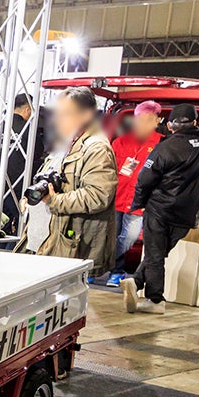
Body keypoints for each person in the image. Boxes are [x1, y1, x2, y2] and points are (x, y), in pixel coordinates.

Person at [121, 103, 199, 314]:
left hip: (160, 209)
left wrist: (138, 203)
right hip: (188, 214)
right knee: (158, 254)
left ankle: (155, 300)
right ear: (195, 122)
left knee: (155, 255)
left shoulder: (165, 147)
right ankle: (136, 282)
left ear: (170, 125)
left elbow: (144, 179)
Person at [37, 86, 116, 275]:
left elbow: (98, 196)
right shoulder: (67, 142)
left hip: (69, 244)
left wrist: (55, 201)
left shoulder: (96, 148)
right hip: (46, 239)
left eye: (66, 113)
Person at [107, 100, 163, 284]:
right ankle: (116, 271)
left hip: (139, 200)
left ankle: (102, 263)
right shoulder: (120, 141)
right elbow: (108, 169)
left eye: (149, 119)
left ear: (157, 121)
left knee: (129, 237)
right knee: (111, 236)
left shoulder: (161, 144)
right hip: (116, 196)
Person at [3, 92, 45, 231]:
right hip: (19, 182)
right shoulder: (28, 129)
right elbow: (38, 152)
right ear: (27, 109)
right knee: (21, 220)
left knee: (0, 222)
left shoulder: (0, 125)